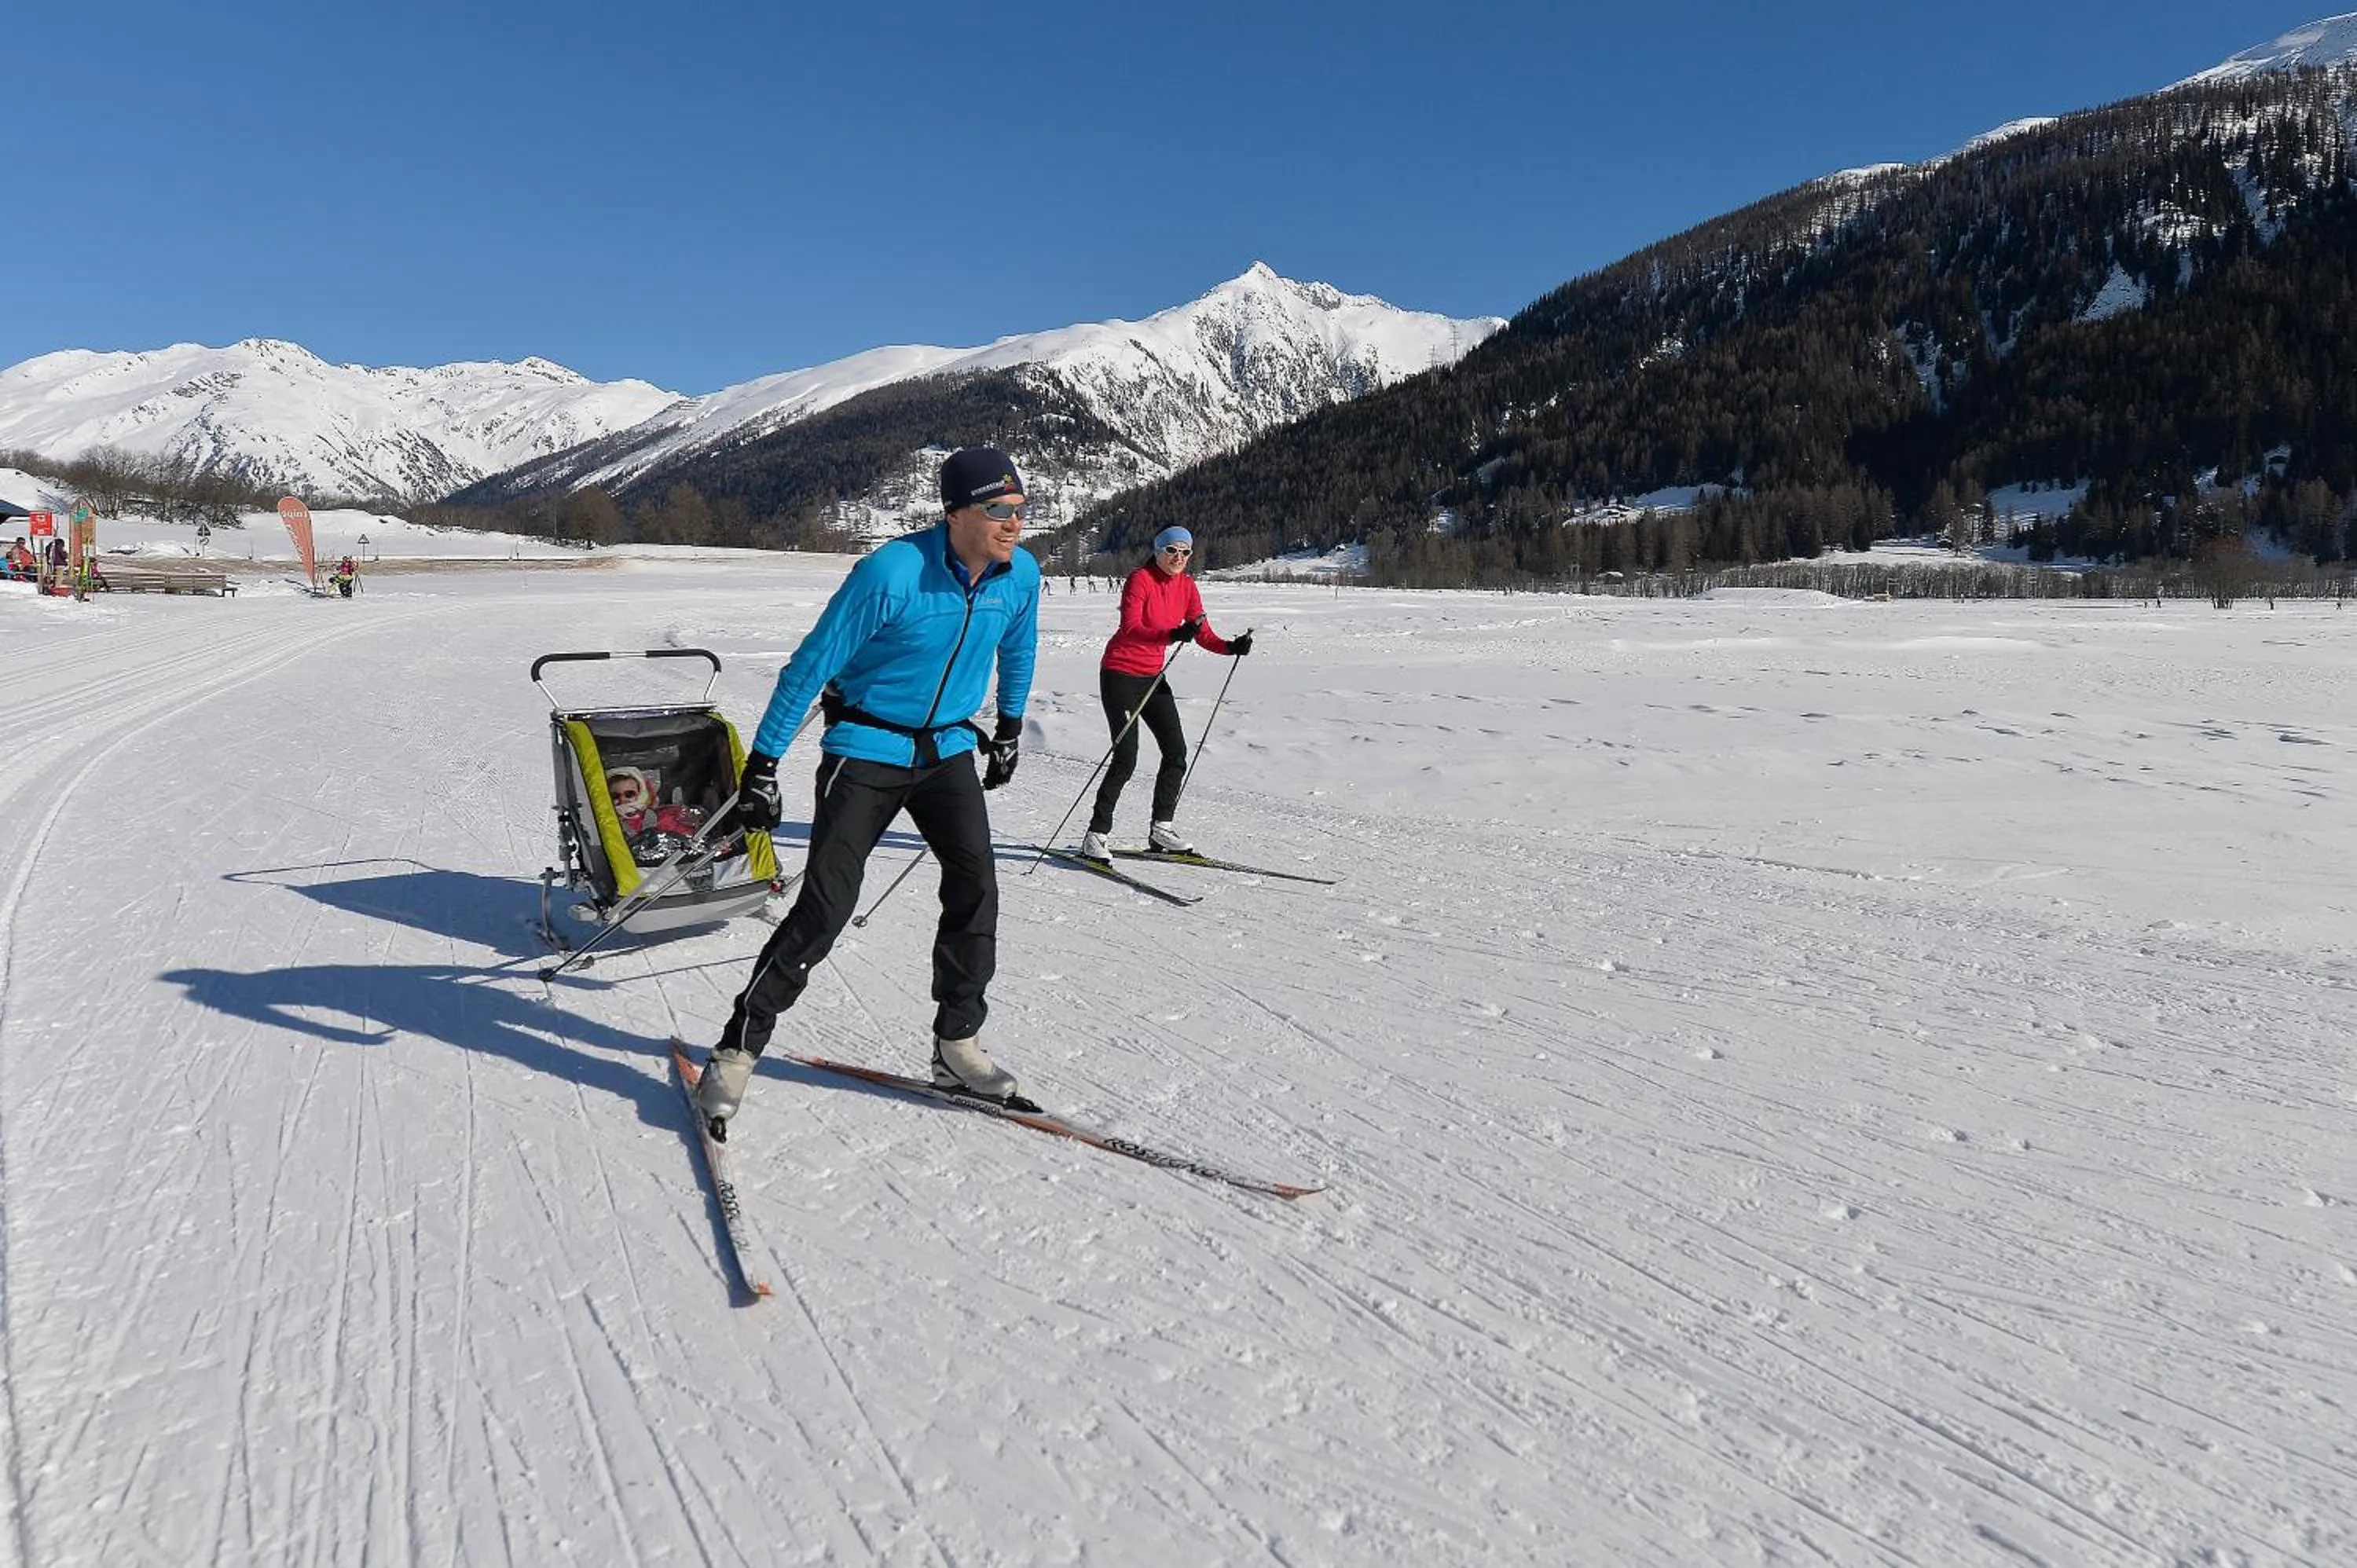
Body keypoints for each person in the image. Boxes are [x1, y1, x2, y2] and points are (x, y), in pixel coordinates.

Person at [695, 445, 1042, 1133]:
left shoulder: (1020, 575)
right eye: (997, 510)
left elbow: (1019, 646)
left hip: (947, 750)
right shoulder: (892, 573)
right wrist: (760, 767)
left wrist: (1007, 724)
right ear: (956, 514)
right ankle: (738, 1046)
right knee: (826, 907)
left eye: (1021, 510)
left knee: (976, 886)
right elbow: (809, 667)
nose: (1013, 524)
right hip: (867, 747)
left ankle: (957, 1044)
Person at [1079, 526, 1252, 862]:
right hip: (1120, 674)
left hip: (1152, 678)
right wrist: (1173, 634)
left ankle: (1162, 828)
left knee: (1176, 752)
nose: (1179, 558)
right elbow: (1131, 628)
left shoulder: (1187, 586)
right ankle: (1095, 835)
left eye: (1185, 552)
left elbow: (1202, 634)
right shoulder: (1140, 579)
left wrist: (1231, 647)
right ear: (1158, 550)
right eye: (1172, 550)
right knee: (1126, 759)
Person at [607, 766, 705, 865]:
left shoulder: (665, 816)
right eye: (615, 796)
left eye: (629, 794)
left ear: (641, 793)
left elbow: (693, 844)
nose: (622, 799)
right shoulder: (608, 824)